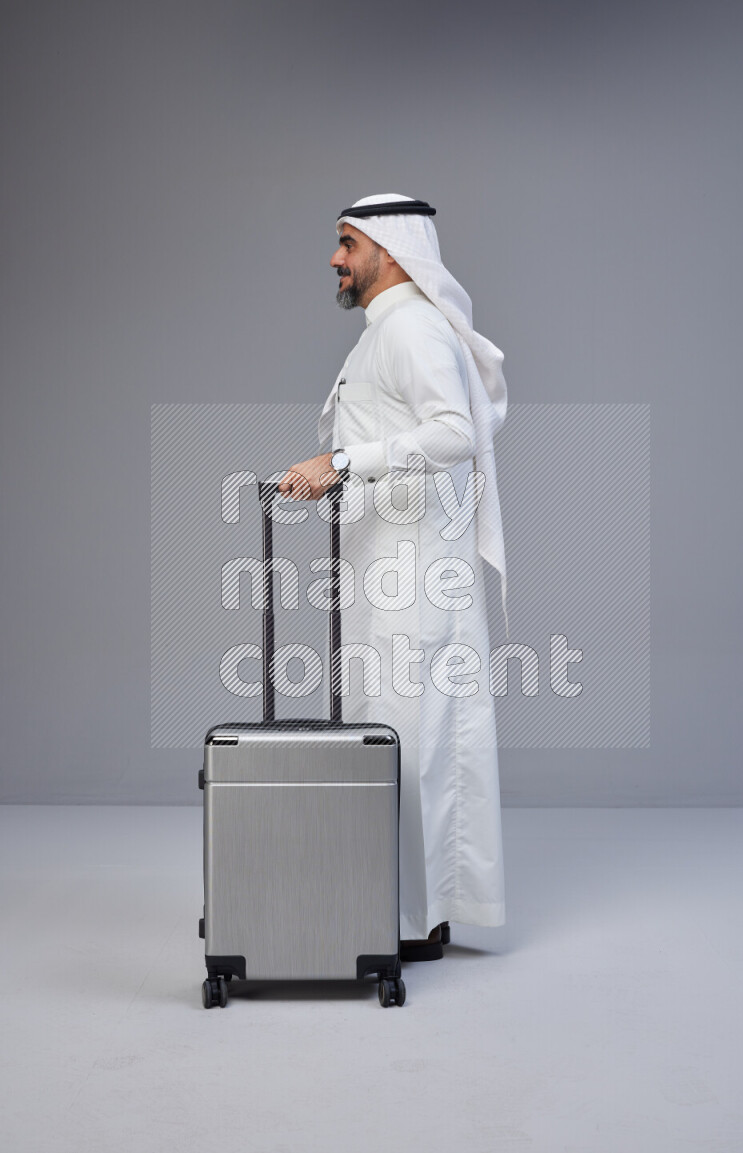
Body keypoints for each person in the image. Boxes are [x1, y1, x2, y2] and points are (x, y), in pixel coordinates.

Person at [278, 194, 508, 962]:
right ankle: (411, 911)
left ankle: (411, 918)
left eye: (347, 243)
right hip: (389, 568)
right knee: (401, 733)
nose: (336, 259)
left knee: (413, 734)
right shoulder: (387, 333)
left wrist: (342, 462)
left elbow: (455, 431)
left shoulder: (410, 328)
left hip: (414, 577)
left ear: (391, 249)